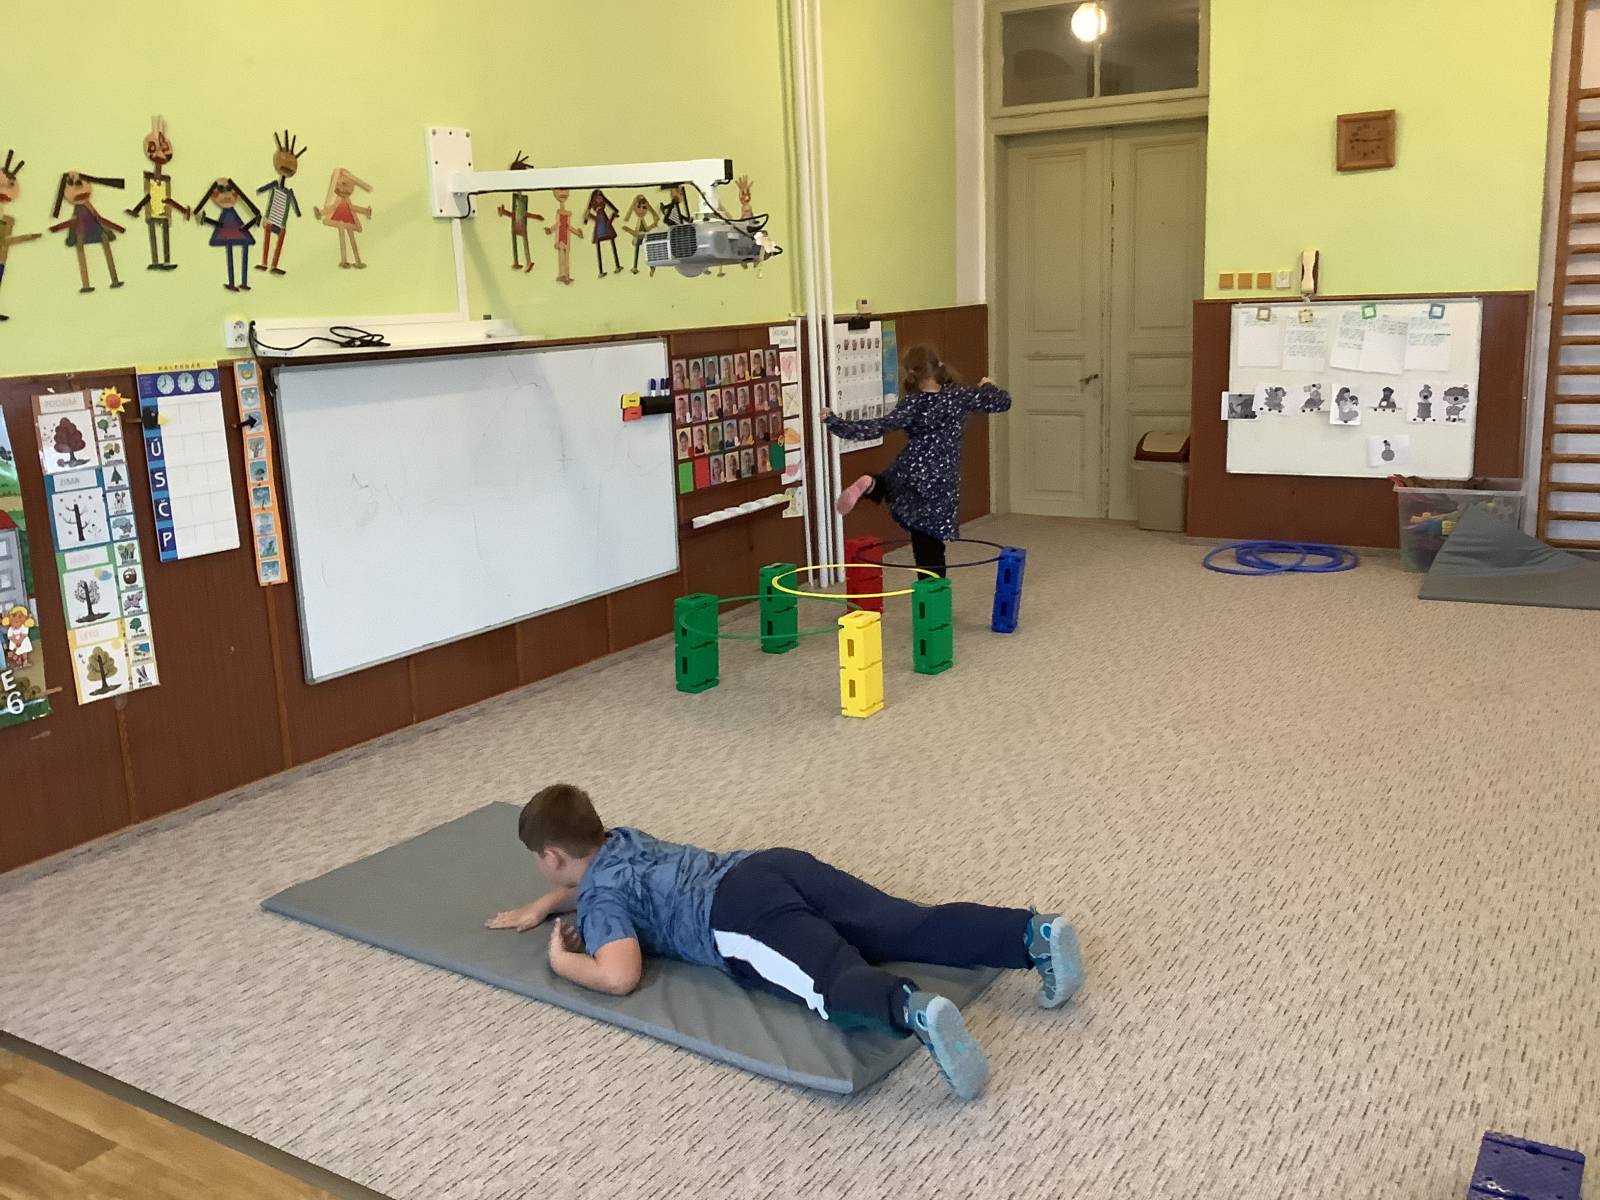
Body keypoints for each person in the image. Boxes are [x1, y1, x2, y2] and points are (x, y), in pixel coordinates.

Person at [487, 784, 1084, 1100]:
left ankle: (912, 1010)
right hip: (771, 866)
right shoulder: (623, 839)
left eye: (540, 864)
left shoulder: (600, 900)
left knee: (829, 982)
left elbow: (620, 975)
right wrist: (544, 904)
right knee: (905, 924)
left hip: (736, 916)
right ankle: (1031, 934)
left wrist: (564, 962)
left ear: (553, 857)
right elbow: (602, 881)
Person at [823, 346, 1011, 578]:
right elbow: (1002, 402)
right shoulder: (959, 396)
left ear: (911, 373)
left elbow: (877, 427)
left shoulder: (912, 403)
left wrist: (834, 422)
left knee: (892, 485)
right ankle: (932, 590)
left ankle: (872, 484)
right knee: (929, 541)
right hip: (940, 477)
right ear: (939, 366)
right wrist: (987, 386)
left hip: (910, 468)